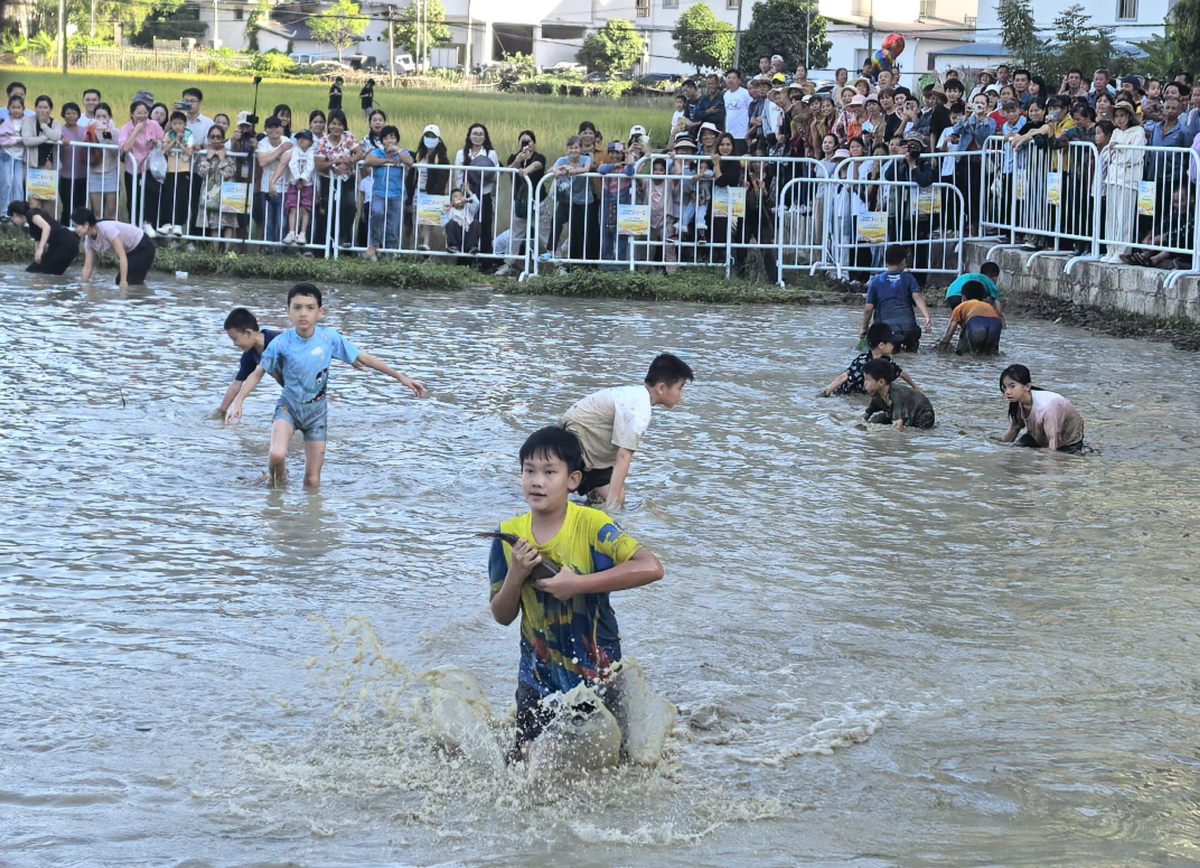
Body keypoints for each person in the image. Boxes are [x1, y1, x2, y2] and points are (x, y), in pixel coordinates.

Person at [487, 425, 665, 764]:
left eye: (549, 472)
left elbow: (651, 567)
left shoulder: (594, 525)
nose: (536, 481)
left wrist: (577, 584)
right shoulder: (509, 536)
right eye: (529, 471)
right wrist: (516, 575)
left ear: (573, 480)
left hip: (597, 675)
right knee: (524, 764)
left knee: (617, 763)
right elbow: (502, 615)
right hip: (537, 677)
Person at [224, 282, 427, 487]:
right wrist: (239, 401)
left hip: (316, 415)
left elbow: (363, 357)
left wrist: (400, 377)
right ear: (288, 311)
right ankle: (277, 494)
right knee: (276, 454)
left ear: (320, 312)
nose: (303, 313)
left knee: (313, 481)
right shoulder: (280, 342)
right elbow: (257, 374)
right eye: (297, 307)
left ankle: (308, 518)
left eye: (310, 308)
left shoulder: (329, 338)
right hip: (288, 408)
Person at [560, 353, 693, 508]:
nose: (681, 395)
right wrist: (613, 504)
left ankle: (590, 500)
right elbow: (623, 456)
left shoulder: (634, 396)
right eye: (680, 388)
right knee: (616, 500)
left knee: (615, 496)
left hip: (586, 448)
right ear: (662, 388)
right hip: (574, 446)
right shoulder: (639, 409)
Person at [861, 244, 932, 351]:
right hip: (909, 329)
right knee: (911, 350)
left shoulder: (876, 281)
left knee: (888, 351)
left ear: (885, 261)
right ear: (904, 261)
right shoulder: (909, 279)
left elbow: (868, 308)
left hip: (886, 332)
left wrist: (864, 328)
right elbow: (917, 297)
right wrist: (926, 316)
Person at [819, 323, 920, 397]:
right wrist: (827, 391)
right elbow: (844, 376)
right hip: (849, 393)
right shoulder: (862, 361)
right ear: (881, 345)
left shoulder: (887, 361)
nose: (894, 346)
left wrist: (915, 387)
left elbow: (901, 373)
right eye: (892, 343)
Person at [1000, 364, 1084, 452]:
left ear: (1027, 387)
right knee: (1017, 449)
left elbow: (1053, 441)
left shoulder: (1046, 408)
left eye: (1012, 386)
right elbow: (1014, 428)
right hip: (1039, 438)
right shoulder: (1018, 403)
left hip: (1068, 442)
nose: (1007, 392)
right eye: (1005, 387)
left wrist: (1048, 462)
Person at [217, 308, 282, 415]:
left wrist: (240, 400)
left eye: (235, 339)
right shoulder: (250, 355)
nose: (235, 344)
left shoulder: (279, 341)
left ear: (248, 332)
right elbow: (237, 384)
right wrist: (221, 411)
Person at [71, 207, 156, 287]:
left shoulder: (107, 229)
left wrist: (123, 283)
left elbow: (122, 255)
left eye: (76, 226)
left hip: (143, 246)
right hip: (130, 252)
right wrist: (83, 286)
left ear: (86, 224)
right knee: (123, 282)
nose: (75, 230)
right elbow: (88, 267)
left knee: (128, 283)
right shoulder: (88, 241)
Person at [315, 110, 363, 249]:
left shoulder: (348, 137)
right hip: (328, 179)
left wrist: (348, 160)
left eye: (340, 124)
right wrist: (335, 163)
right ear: (329, 125)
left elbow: (360, 153)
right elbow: (319, 164)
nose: (336, 127)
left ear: (344, 126)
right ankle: (328, 243)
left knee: (349, 205)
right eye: (333, 124)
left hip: (347, 179)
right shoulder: (323, 141)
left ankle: (345, 236)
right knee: (328, 208)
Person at [500, 129, 546, 275]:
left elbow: (538, 165)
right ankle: (509, 264)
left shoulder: (539, 157)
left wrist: (527, 169)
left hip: (539, 201)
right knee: (516, 233)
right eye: (523, 142)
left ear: (534, 143)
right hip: (520, 202)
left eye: (529, 142)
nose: (526, 145)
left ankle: (559, 265)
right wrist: (518, 161)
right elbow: (508, 171)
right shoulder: (515, 157)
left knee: (546, 233)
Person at [364, 124, 413, 258]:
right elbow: (368, 160)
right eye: (386, 138)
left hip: (396, 194)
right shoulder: (377, 153)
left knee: (394, 223)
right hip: (379, 192)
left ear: (397, 139)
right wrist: (387, 160)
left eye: (392, 137)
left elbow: (410, 162)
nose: (389, 141)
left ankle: (391, 251)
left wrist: (398, 151)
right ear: (381, 141)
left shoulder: (403, 153)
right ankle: (374, 243)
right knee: (377, 213)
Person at [454, 123, 500, 256]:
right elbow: (458, 175)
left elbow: (495, 174)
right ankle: (464, 259)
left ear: (485, 137)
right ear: (469, 136)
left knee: (485, 226)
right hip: (466, 195)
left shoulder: (490, 153)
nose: (477, 137)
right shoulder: (461, 154)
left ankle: (485, 261)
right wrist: (460, 193)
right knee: (465, 225)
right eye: (475, 134)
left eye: (480, 134)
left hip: (484, 194)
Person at [6, 199, 80, 274]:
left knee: (44, 273)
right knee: (34, 270)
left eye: (12, 218)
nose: (13, 221)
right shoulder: (32, 224)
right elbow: (38, 241)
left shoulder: (31, 214)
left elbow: (46, 227)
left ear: (15, 214)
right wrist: (37, 255)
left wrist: (41, 249)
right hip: (66, 244)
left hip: (65, 243)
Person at [862, 358, 936, 430]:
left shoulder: (897, 395)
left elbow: (898, 426)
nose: (865, 384)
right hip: (901, 414)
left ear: (881, 382)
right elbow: (866, 415)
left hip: (921, 415)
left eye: (868, 380)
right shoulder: (877, 396)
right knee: (876, 420)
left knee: (908, 428)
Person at [413, 123, 452, 252]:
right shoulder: (418, 155)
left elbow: (442, 179)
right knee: (417, 222)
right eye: (427, 135)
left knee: (429, 222)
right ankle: (419, 246)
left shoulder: (441, 158)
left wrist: (434, 194)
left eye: (433, 136)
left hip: (432, 194)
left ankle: (428, 244)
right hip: (418, 191)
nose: (430, 138)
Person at [938, 280, 1004, 355]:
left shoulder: (960, 307)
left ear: (963, 297)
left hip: (976, 323)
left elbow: (950, 332)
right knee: (990, 353)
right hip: (995, 324)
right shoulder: (988, 306)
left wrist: (942, 347)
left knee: (966, 352)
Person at [256, 116, 294, 247]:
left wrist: (274, 155)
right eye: (269, 127)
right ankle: (269, 248)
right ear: (265, 129)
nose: (273, 130)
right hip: (265, 187)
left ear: (281, 128)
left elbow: (284, 162)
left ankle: (282, 248)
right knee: (268, 221)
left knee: (282, 221)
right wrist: (279, 150)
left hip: (283, 187)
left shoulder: (287, 141)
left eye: (276, 127)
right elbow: (262, 162)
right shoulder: (263, 143)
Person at [21, 95, 62, 211]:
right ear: (35, 108)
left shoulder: (55, 123)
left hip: (49, 166)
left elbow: (56, 136)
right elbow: (27, 140)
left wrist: (44, 125)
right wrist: (45, 138)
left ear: (50, 110)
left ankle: (47, 227)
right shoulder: (28, 121)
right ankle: (33, 226)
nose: (43, 110)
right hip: (32, 165)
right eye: (40, 107)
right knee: (34, 202)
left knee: (47, 201)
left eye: (45, 107)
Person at [284, 129, 316, 245]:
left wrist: (303, 179)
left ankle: (302, 233)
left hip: (307, 184)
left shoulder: (312, 152)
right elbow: (292, 164)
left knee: (305, 208)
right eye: (299, 138)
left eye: (305, 138)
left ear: (311, 142)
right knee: (292, 207)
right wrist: (297, 178)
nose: (301, 140)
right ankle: (291, 232)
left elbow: (311, 166)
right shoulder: (295, 150)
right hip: (294, 183)